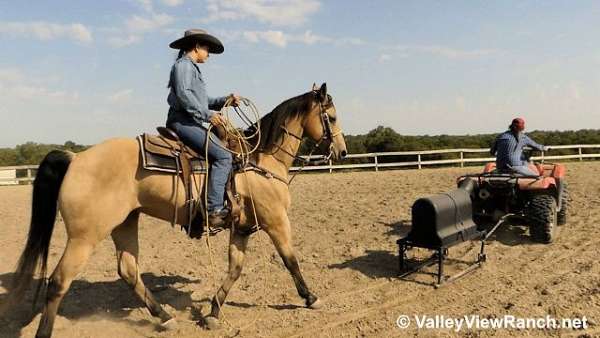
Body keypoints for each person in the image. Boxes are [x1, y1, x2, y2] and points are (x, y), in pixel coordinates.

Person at [166, 29, 240, 227]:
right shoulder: (184, 66)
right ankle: (213, 208)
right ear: (197, 46)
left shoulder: (190, 67)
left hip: (189, 120)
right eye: (207, 49)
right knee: (224, 156)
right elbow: (184, 96)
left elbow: (201, 100)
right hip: (183, 122)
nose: (208, 53)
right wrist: (208, 115)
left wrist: (225, 101)